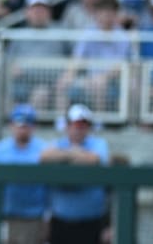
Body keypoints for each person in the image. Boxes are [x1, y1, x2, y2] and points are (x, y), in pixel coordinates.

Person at [40, 104, 109, 244]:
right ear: (67, 126)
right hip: (61, 222)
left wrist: (64, 156)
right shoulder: (58, 143)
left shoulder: (98, 143)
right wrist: (73, 153)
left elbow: (93, 159)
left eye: (83, 125)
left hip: (92, 222)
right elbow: (44, 157)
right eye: (75, 124)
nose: (78, 129)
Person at [0, 104, 48, 244]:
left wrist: (48, 216)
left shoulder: (44, 150)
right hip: (6, 215)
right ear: (12, 125)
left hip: (34, 217)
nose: (23, 128)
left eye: (27, 124)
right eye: (19, 124)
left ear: (34, 126)